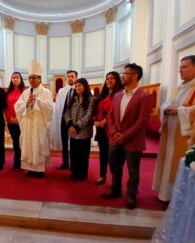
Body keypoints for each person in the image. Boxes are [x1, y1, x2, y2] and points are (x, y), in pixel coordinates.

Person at [152, 55, 195, 202]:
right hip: (171, 135)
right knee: (169, 162)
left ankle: (180, 198)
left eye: (184, 67)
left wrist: (179, 110)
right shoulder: (180, 88)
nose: (180, 70)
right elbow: (166, 104)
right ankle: (166, 195)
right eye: (180, 67)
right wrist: (166, 108)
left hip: (187, 138)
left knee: (180, 164)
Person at [102, 63, 153, 209]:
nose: (122, 76)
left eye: (125, 73)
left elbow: (142, 122)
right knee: (114, 167)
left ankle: (131, 195)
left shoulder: (145, 97)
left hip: (132, 140)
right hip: (115, 138)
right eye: (122, 73)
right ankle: (115, 189)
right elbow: (110, 116)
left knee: (133, 170)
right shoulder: (118, 96)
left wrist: (124, 136)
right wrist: (113, 133)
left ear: (135, 75)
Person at [14, 60, 53, 178]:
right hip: (27, 123)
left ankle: (40, 170)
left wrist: (37, 100)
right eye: (30, 77)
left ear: (40, 79)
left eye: (34, 77)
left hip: (39, 123)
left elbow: (50, 107)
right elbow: (17, 106)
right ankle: (30, 168)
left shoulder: (46, 92)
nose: (31, 80)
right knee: (28, 145)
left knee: (38, 146)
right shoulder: (25, 92)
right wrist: (26, 103)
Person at [92, 71, 123, 185]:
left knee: (113, 157)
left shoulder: (120, 94)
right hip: (100, 128)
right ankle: (102, 175)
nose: (109, 80)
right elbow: (95, 110)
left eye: (112, 78)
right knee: (103, 154)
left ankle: (115, 181)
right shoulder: (102, 95)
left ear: (117, 80)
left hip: (112, 129)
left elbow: (117, 112)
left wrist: (106, 120)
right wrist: (95, 119)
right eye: (107, 78)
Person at [64, 78, 94, 180]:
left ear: (85, 86)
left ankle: (82, 175)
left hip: (84, 133)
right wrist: (70, 125)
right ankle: (74, 173)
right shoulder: (73, 98)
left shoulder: (91, 99)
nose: (77, 87)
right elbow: (67, 113)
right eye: (76, 86)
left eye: (79, 85)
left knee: (83, 155)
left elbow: (88, 116)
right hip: (73, 133)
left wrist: (77, 127)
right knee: (74, 154)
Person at [52, 70, 78, 170]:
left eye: (72, 76)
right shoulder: (62, 91)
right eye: (69, 76)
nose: (70, 78)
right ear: (66, 78)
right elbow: (58, 106)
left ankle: (75, 163)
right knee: (64, 141)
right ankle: (65, 162)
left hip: (75, 122)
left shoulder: (79, 89)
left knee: (74, 142)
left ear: (76, 77)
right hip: (63, 120)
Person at [5, 72, 26, 169]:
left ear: (21, 79)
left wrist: (18, 118)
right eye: (13, 77)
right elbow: (6, 107)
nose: (15, 79)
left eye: (17, 77)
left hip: (23, 121)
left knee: (24, 142)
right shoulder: (8, 92)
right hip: (11, 121)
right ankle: (17, 161)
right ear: (11, 79)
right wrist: (10, 117)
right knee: (15, 142)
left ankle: (25, 161)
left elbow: (27, 106)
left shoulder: (25, 91)